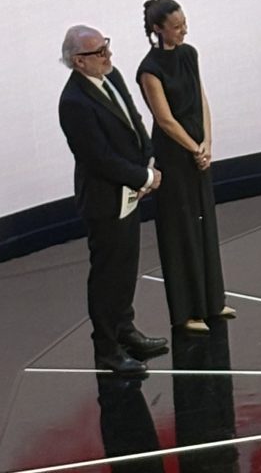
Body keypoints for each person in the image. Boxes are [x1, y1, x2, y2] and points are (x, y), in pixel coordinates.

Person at [58, 25, 169, 375]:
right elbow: (98, 158)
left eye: (106, 47)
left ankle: (125, 330)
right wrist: (144, 177)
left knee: (126, 269)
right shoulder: (73, 102)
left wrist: (148, 158)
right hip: (105, 200)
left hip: (129, 192)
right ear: (79, 61)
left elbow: (134, 120)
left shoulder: (112, 76)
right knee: (108, 276)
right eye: (99, 52)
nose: (108, 56)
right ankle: (106, 349)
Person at [136, 0, 233, 332]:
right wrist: (194, 148)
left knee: (205, 222)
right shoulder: (149, 69)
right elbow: (164, 119)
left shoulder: (189, 54)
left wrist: (207, 142)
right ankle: (187, 311)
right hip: (175, 155)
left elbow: (201, 99)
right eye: (176, 26)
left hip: (196, 149)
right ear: (158, 29)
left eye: (184, 23)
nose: (184, 30)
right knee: (181, 230)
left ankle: (213, 301)